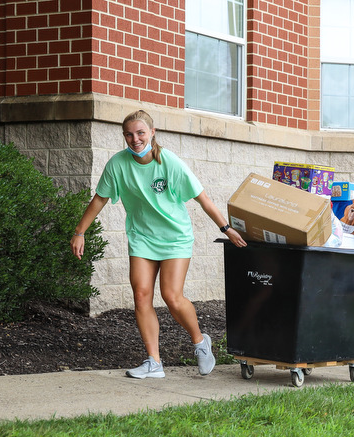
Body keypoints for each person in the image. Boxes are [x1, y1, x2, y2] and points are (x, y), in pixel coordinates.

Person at [70, 110, 246, 379]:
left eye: (140, 133)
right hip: (142, 238)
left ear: (152, 133)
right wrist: (80, 231)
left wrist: (226, 228)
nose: (135, 139)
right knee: (141, 296)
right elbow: (99, 199)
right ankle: (154, 362)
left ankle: (200, 341)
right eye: (129, 134)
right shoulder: (118, 164)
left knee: (172, 297)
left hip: (175, 238)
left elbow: (203, 199)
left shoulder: (169, 163)